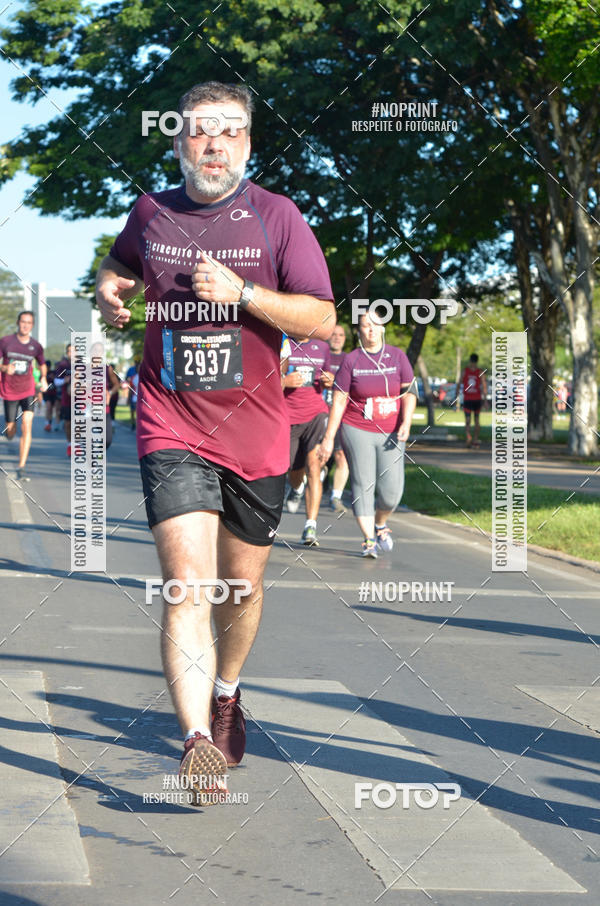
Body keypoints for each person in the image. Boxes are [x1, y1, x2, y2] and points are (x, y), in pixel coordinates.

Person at [94, 81, 335, 805]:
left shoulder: (278, 218)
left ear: (249, 145)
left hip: (257, 431)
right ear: (178, 142)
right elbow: (120, 268)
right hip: (170, 422)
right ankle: (197, 739)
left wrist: (246, 295)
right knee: (188, 585)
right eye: (200, 131)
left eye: (230, 132)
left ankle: (227, 692)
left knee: (241, 586)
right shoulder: (152, 212)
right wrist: (110, 287)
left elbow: (321, 318)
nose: (214, 144)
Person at [319, 312, 416, 557]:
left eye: (375, 325)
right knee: (363, 483)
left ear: (383, 328)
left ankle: (380, 522)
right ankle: (368, 539)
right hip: (357, 428)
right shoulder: (352, 360)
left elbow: (409, 392)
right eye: (365, 325)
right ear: (360, 331)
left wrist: (407, 421)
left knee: (392, 492)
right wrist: (329, 437)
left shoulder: (397, 356)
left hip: (391, 431)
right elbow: (339, 400)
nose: (370, 329)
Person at [282, 337, 332, 546]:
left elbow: (330, 377)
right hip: (289, 416)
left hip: (316, 414)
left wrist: (330, 379)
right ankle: (296, 488)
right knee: (292, 469)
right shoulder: (283, 343)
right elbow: (266, 379)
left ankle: (310, 526)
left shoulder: (322, 346)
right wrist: (285, 381)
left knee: (314, 466)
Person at [0, 310, 47, 481]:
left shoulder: (36, 346)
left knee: (27, 424)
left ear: (32, 326)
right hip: (9, 390)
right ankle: (8, 431)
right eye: (23, 322)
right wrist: (5, 368)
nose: (25, 325)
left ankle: (21, 466)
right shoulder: (6, 342)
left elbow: (42, 364)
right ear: (18, 323)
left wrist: (43, 377)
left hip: (28, 390)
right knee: (11, 430)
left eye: (29, 322)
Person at [323, 323, 349, 511]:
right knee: (317, 459)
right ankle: (307, 485)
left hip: (341, 415)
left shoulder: (350, 359)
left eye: (341, 335)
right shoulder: (320, 354)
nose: (337, 337)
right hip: (319, 413)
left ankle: (336, 497)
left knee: (341, 456)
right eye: (334, 334)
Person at [461, 353, 486, 448]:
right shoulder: (465, 371)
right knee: (467, 420)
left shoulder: (480, 372)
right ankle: (468, 437)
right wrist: (456, 394)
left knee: (476, 421)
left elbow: (483, 386)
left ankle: (475, 439)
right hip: (467, 398)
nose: (473, 364)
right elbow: (459, 382)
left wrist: (485, 400)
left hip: (477, 399)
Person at [54, 343, 73, 456]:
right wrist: (65, 381)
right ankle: (70, 444)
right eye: (70, 351)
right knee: (68, 424)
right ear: (67, 353)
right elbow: (56, 382)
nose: (72, 353)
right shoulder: (63, 365)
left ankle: (78, 445)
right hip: (67, 399)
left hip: (81, 399)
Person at [125, 357, 140, 429]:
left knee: (138, 413)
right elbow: (130, 388)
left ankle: (138, 426)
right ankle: (133, 424)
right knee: (132, 411)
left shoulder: (144, 376)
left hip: (141, 398)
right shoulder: (132, 374)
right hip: (134, 397)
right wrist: (128, 398)